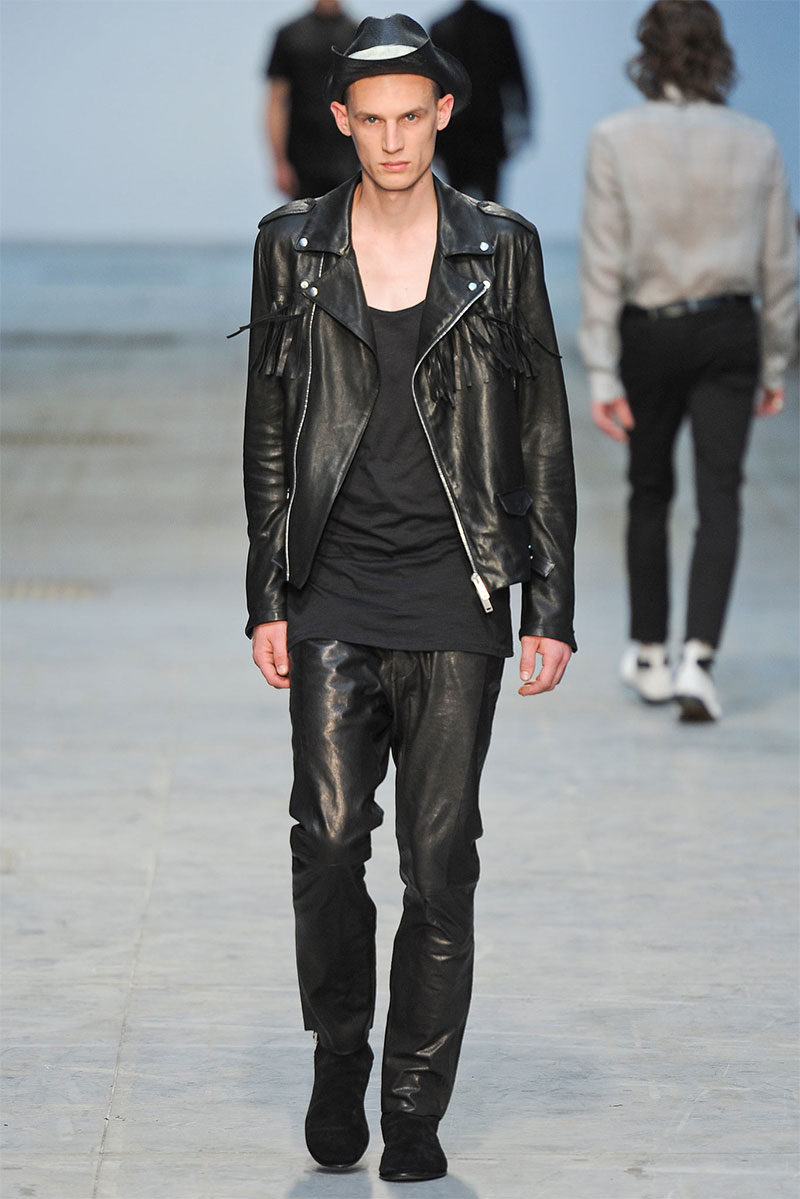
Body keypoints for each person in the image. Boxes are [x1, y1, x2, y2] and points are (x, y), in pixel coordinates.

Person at [239, 13, 576, 1183]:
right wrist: (265, 592)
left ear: (443, 114)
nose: (391, 140)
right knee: (329, 843)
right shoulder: (291, 245)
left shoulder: (501, 248)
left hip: (454, 591)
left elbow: (541, 428)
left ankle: (415, 1106)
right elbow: (269, 425)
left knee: (439, 863)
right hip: (331, 586)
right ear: (340, 119)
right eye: (370, 120)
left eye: (410, 118)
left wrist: (548, 603)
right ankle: (340, 1054)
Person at [579, 0, 797, 722]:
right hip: (731, 329)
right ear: (718, 53)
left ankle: (648, 654)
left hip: (650, 332)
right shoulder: (757, 142)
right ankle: (698, 661)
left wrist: (601, 369)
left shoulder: (615, 139)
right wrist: (775, 362)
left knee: (650, 491)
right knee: (721, 495)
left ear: (646, 53)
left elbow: (603, 263)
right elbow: (780, 265)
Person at [430, 0, 531, 201]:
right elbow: (516, 77)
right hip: (482, 131)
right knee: (487, 204)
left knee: (457, 204)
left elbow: (431, 89)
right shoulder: (498, 25)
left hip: (459, 132)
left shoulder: (441, 27)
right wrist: (523, 121)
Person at [263, 0, 359, 198]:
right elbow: (276, 103)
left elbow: (371, 102)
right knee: (305, 217)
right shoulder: (290, 35)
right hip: (302, 158)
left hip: (350, 155)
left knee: (350, 216)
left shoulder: (358, 36)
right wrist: (279, 162)